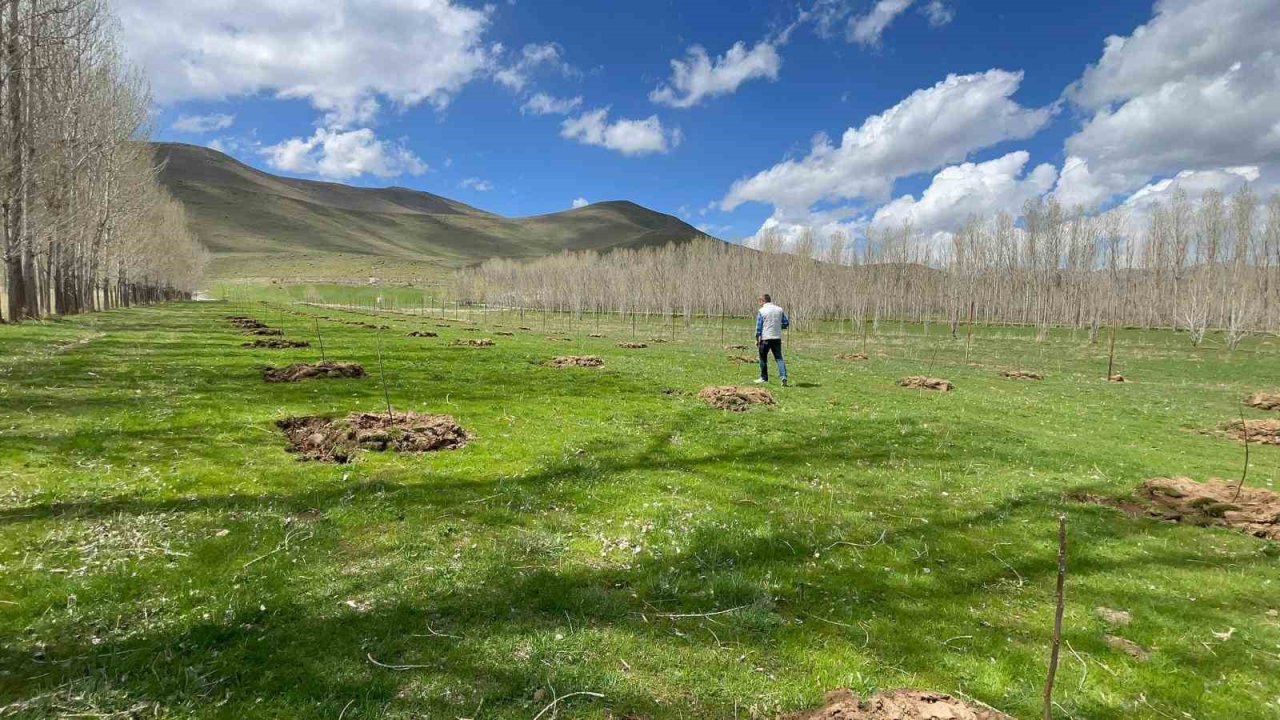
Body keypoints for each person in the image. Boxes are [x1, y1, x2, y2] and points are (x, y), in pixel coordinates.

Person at [754, 294, 790, 386]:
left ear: (763, 301)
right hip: (776, 338)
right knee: (779, 358)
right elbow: (786, 323)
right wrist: (778, 327)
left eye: (760, 302)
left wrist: (757, 339)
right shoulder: (779, 309)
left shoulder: (762, 311)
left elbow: (758, 328)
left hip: (765, 338)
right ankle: (783, 377)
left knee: (763, 358)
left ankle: (763, 377)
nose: (760, 304)